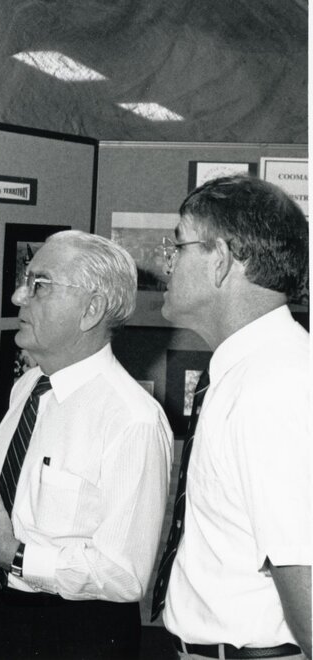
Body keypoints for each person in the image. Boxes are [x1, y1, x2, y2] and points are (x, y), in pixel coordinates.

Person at [0, 230, 173, 659]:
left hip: (79, 634)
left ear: (91, 310)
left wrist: (15, 555)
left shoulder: (131, 419)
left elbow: (125, 574)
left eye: (39, 285)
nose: (17, 296)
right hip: (3, 618)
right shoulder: (28, 388)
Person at [155, 175, 311, 660]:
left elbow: (304, 573)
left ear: (220, 260)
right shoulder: (252, 369)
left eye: (177, 246)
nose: (167, 263)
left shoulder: (274, 384)